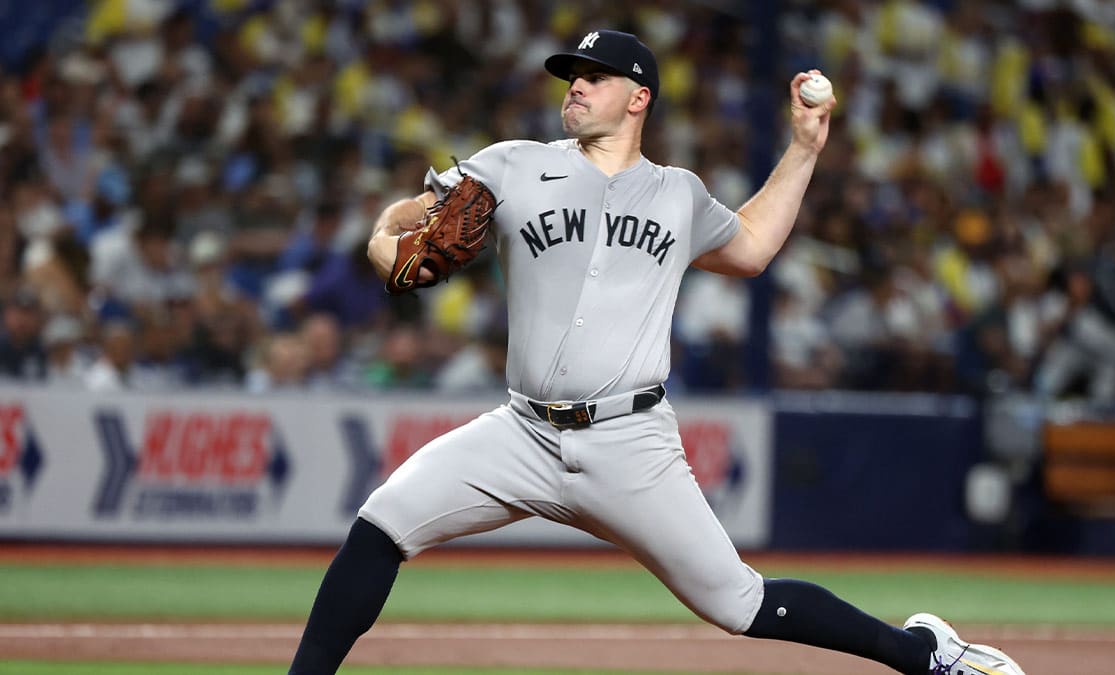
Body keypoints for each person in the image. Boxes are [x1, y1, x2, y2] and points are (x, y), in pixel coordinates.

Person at [289, 30, 1025, 675]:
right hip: (521, 431)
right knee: (383, 522)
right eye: (570, 74)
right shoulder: (509, 165)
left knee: (739, 602)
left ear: (638, 97)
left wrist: (803, 149)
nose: (574, 85)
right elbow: (401, 227)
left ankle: (924, 654)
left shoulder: (678, 192)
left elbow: (753, 247)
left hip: (629, 439)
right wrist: (389, 239)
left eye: (593, 75)